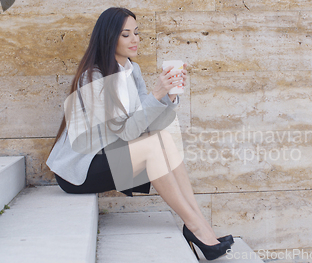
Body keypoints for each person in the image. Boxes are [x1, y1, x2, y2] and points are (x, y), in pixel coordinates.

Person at [45, 7, 233, 260]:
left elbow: (151, 127)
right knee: (153, 148)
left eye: (136, 32)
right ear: (109, 37)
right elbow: (126, 135)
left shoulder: (132, 70)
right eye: (126, 35)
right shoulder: (94, 78)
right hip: (81, 170)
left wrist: (169, 98)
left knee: (163, 139)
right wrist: (155, 95)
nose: (135, 39)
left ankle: (199, 224)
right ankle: (196, 227)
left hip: (109, 155)